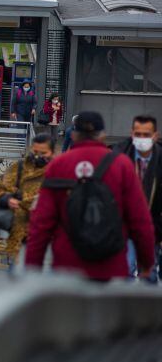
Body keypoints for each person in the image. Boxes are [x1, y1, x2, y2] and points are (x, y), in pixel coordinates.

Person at [26, 112, 155, 281]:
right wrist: (146, 263)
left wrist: (32, 268)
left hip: (67, 269)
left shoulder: (58, 165)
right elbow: (140, 221)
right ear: (102, 135)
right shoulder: (122, 165)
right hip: (112, 268)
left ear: (73, 135)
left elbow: (41, 224)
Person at [112, 115, 162, 282]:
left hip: (152, 226)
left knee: (150, 274)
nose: (141, 139)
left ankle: (148, 307)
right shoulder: (118, 156)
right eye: (138, 134)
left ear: (155, 135)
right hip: (124, 225)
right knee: (126, 270)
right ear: (131, 133)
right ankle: (124, 306)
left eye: (146, 135)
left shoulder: (159, 159)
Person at [0, 134, 54, 260]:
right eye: (35, 151)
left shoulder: (58, 170)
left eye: (43, 153)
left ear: (52, 152)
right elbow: (1, 190)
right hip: (19, 234)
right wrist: (7, 199)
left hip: (48, 235)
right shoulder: (19, 167)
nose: (38, 156)